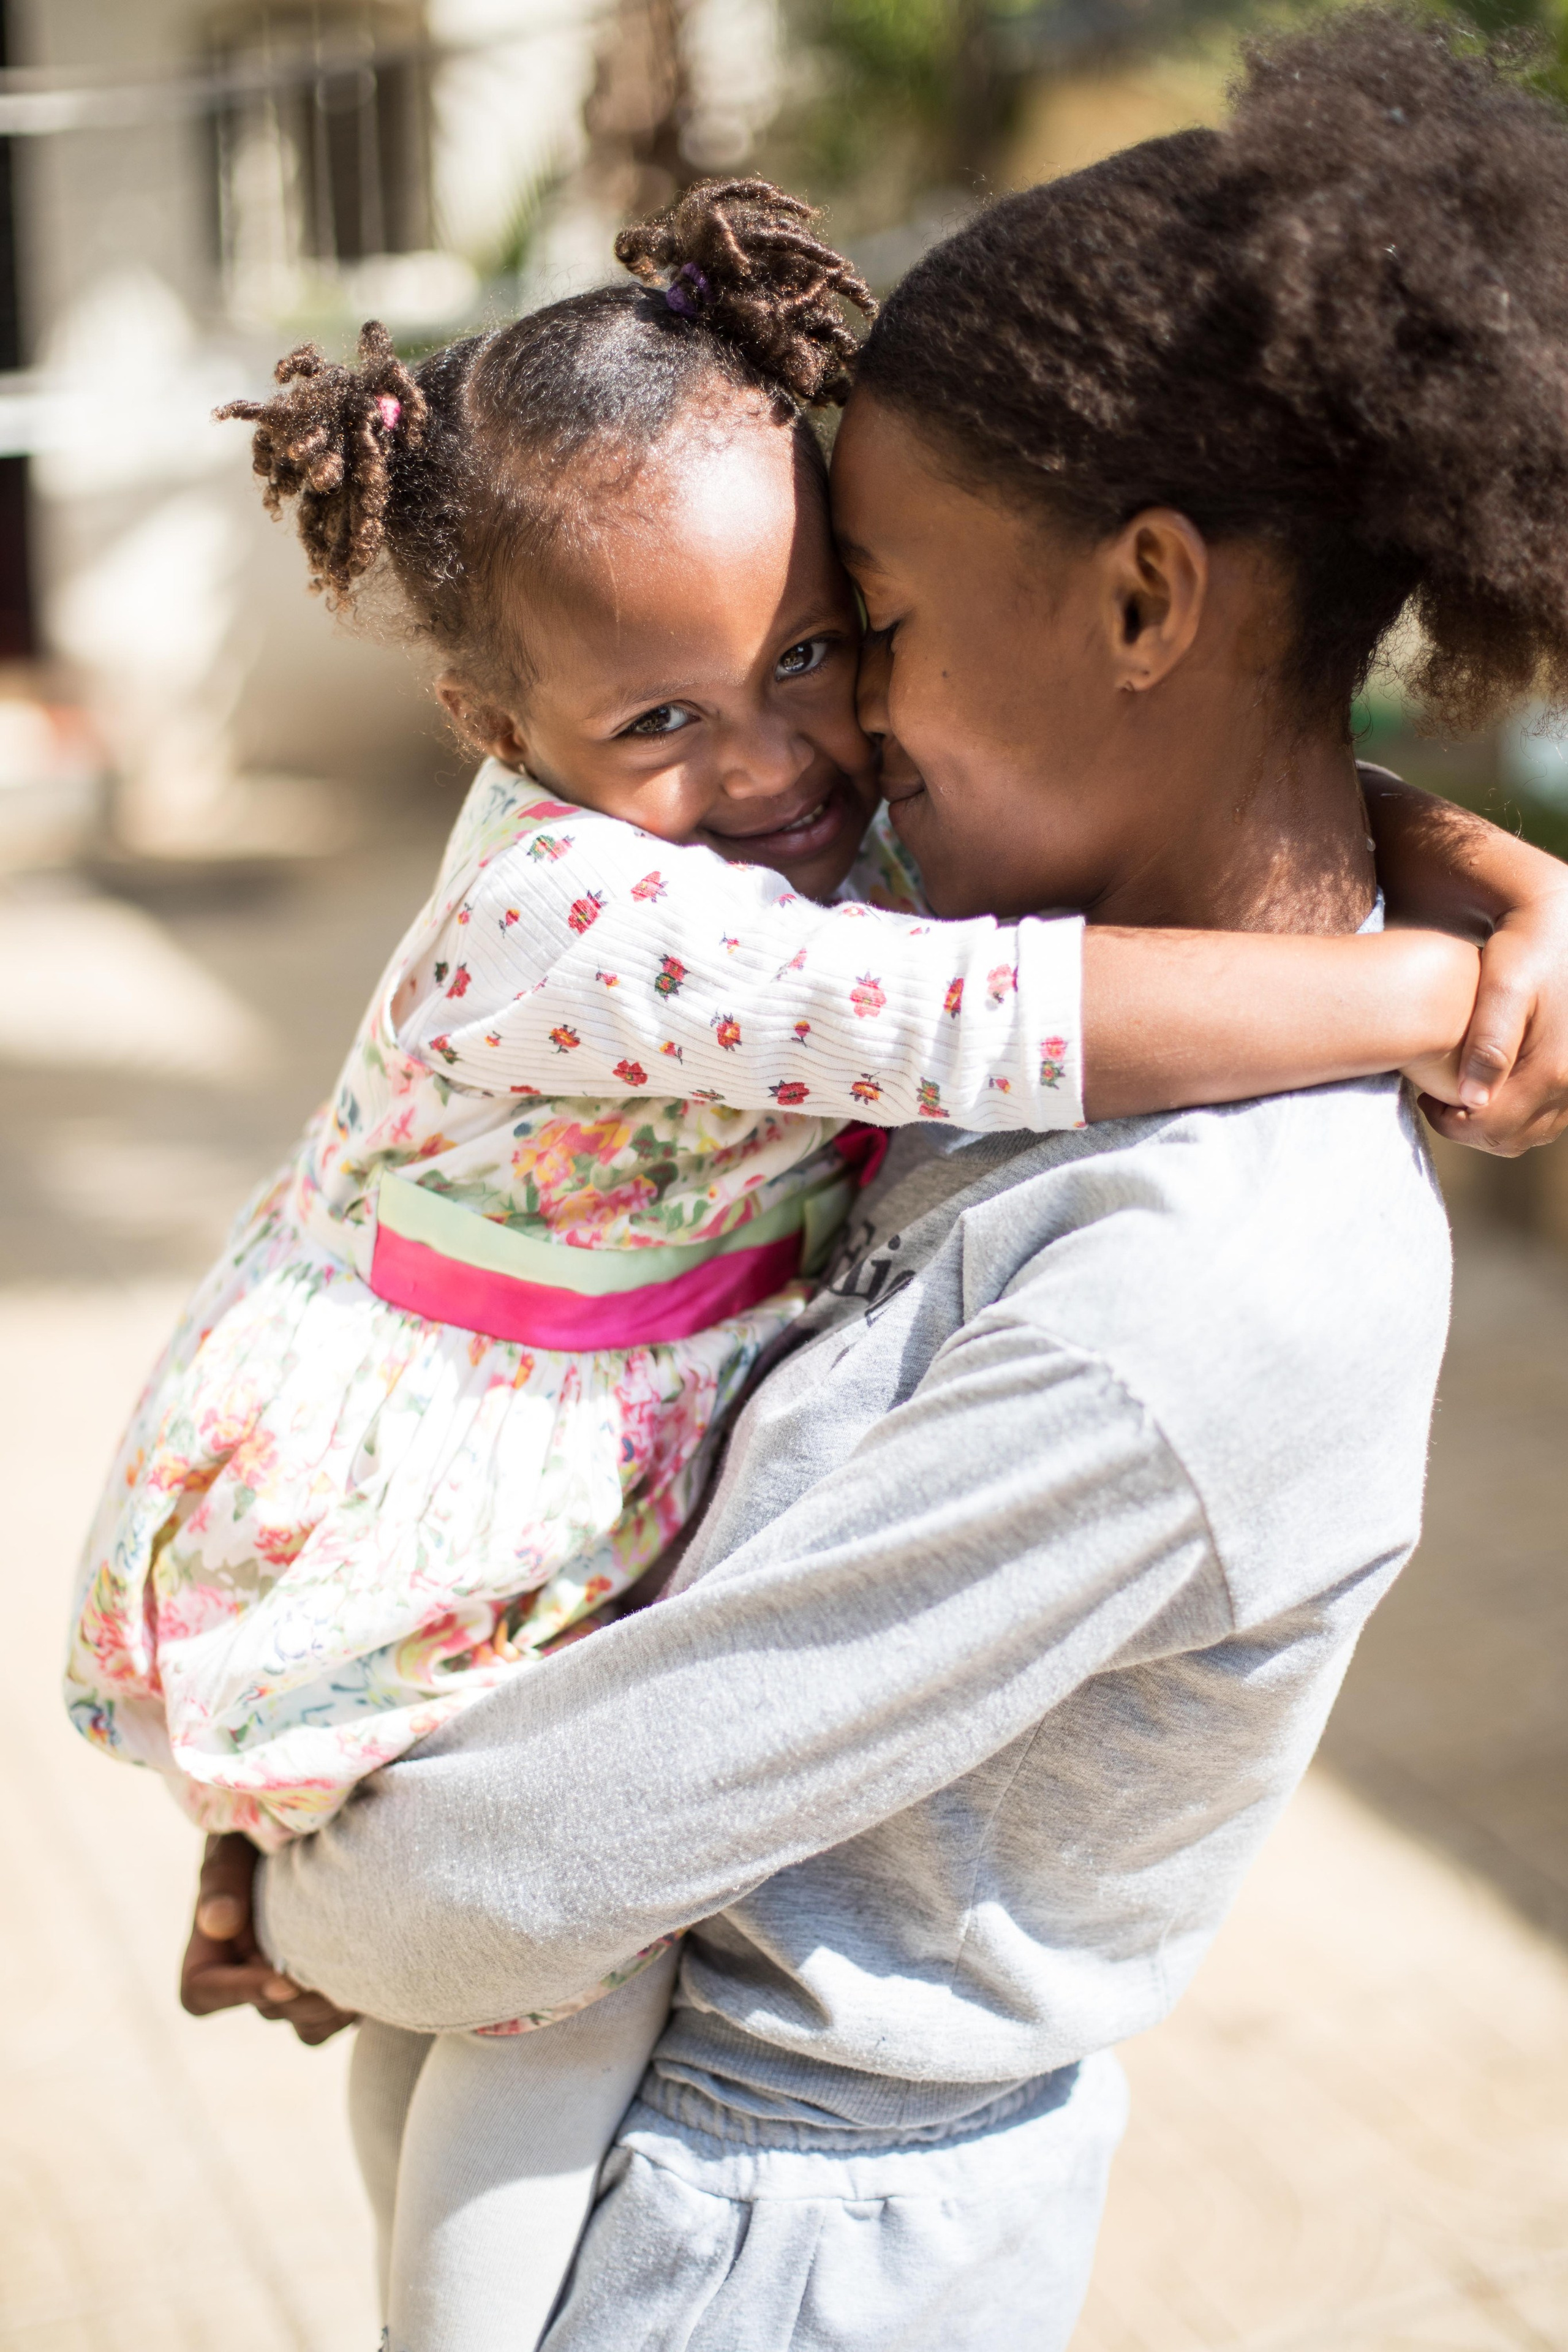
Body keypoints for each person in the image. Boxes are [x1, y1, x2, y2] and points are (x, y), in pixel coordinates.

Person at [177, 20, 1568, 2334]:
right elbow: (1129, 900)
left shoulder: (1211, 1285)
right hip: (648, 2116)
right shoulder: (961, 904)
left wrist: (298, 1891)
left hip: (764, 2230)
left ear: (1144, 603)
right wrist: (1486, 886)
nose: (834, 743)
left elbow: (556, 1858)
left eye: (869, 632)